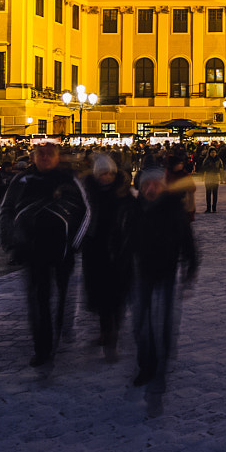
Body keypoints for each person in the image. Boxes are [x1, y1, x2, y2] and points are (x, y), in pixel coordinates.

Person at [0, 142, 89, 368]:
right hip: (32, 250)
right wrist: (11, 243)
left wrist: (74, 244)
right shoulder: (21, 180)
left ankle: (61, 327)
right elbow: (6, 210)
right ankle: (43, 347)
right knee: (38, 300)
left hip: (62, 250)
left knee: (62, 296)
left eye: (50, 154)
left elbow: (85, 211)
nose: (45, 158)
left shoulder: (68, 179)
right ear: (33, 157)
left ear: (58, 157)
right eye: (40, 154)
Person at [123, 166, 199, 386]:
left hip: (166, 270)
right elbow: (126, 241)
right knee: (140, 322)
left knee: (163, 319)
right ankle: (146, 364)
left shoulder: (174, 208)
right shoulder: (134, 209)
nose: (151, 188)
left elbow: (188, 240)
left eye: (156, 184)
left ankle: (163, 355)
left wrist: (190, 266)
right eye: (146, 184)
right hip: (141, 271)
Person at [82, 154, 131, 361]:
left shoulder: (124, 193)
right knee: (100, 293)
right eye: (103, 173)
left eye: (110, 173)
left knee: (116, 294)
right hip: (95, 249)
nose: (107, 177)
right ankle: (104, 330)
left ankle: (113, 334)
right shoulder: (88, 193)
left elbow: (133, 218)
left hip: (119, 249)